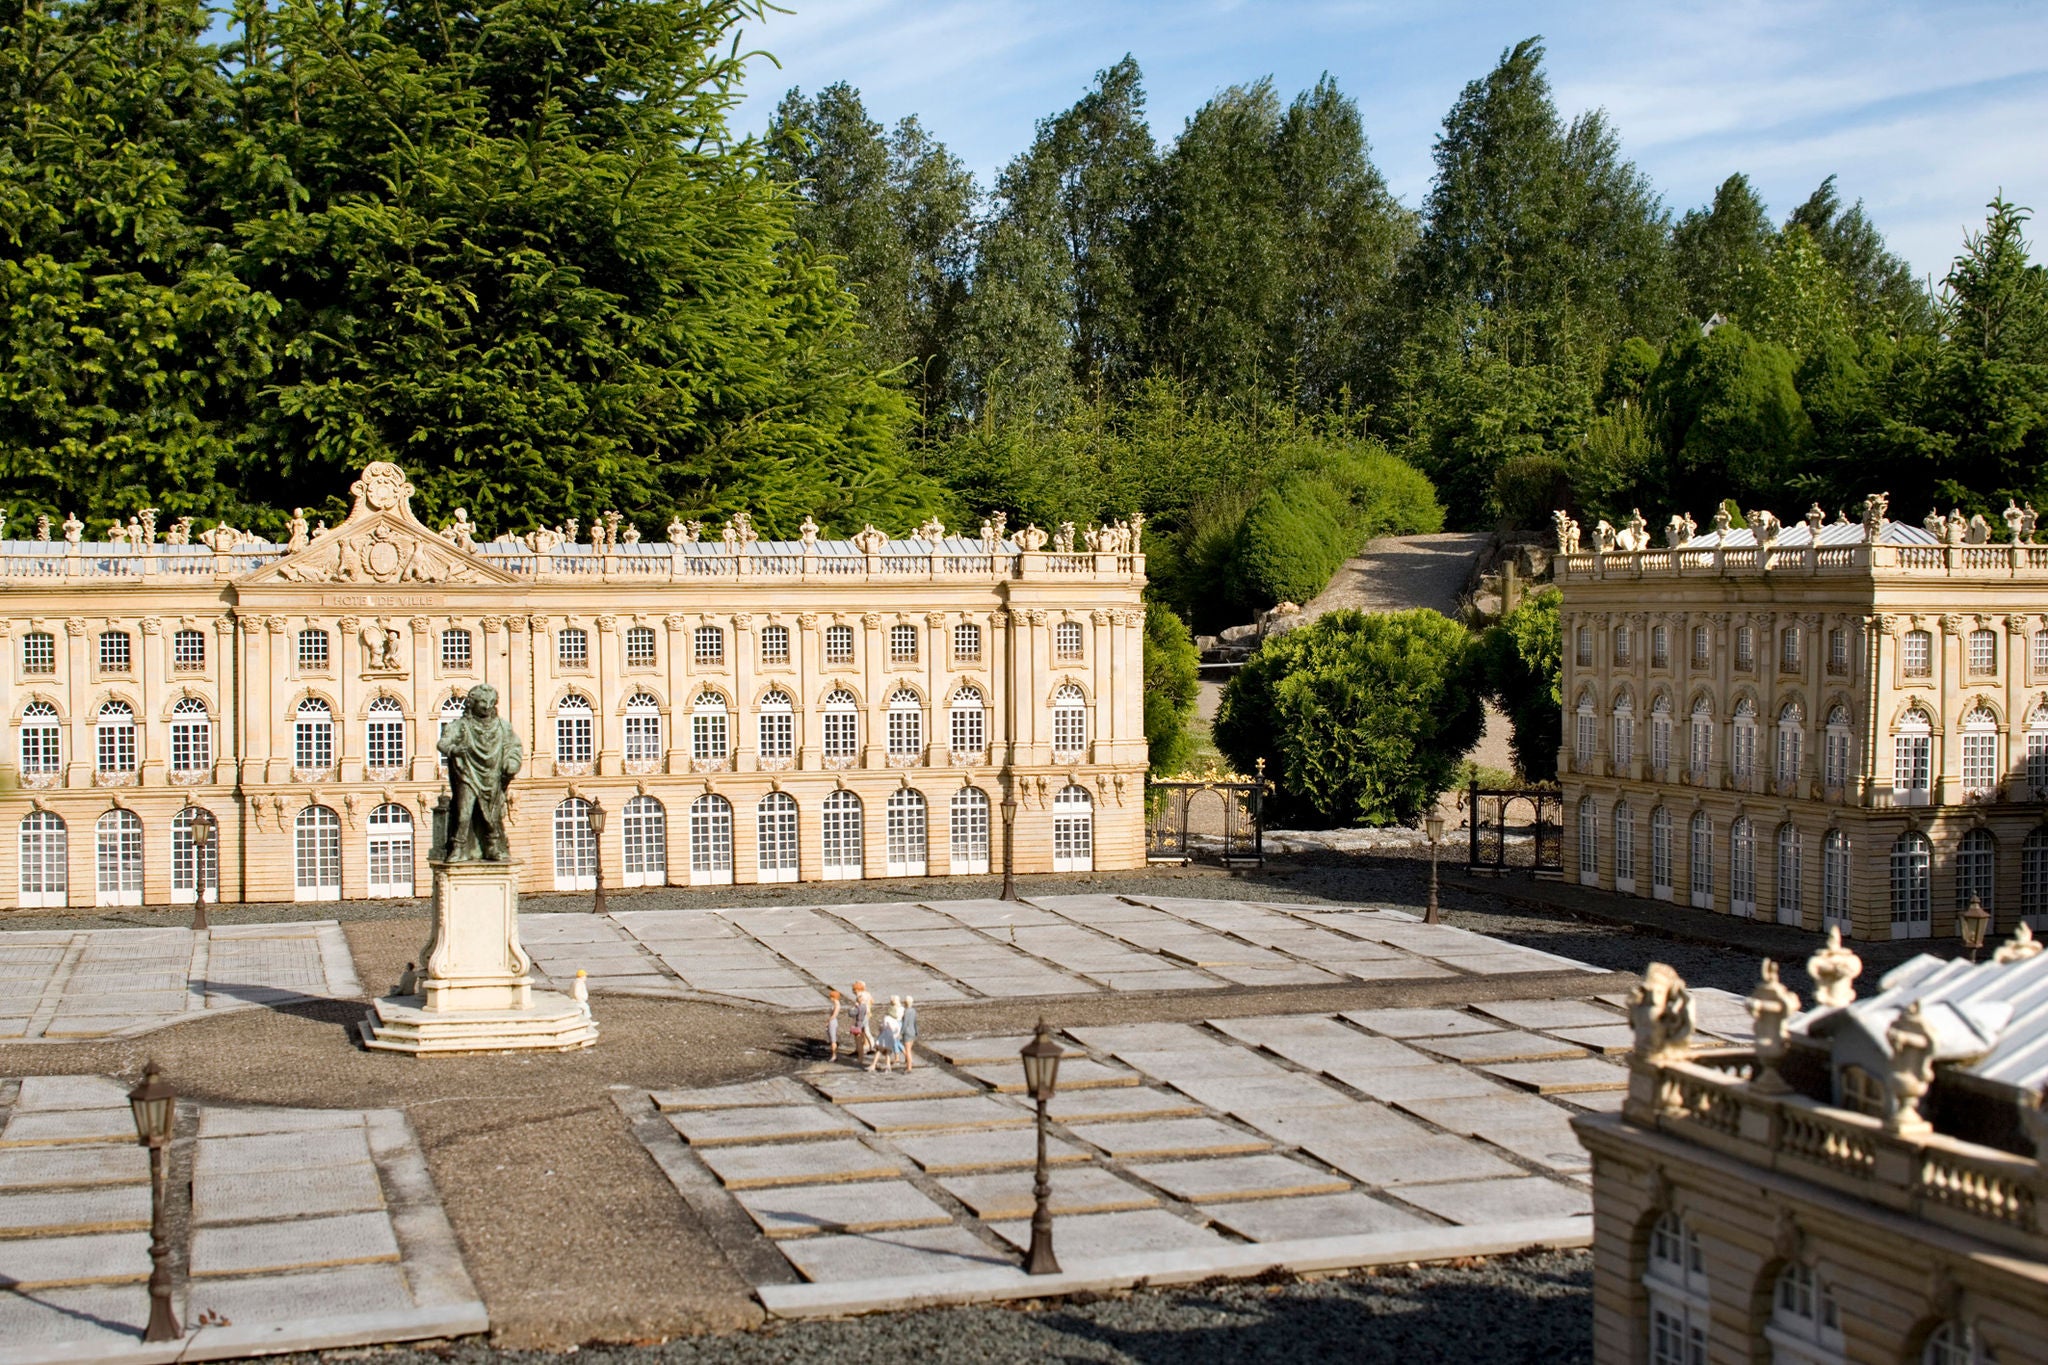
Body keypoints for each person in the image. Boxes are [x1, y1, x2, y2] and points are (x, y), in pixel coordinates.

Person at [867, 996, 903, 1073]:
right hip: (891, 1038)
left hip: (884, 1036)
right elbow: (898, 1031)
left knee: (879, 1051)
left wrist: (880, 1032)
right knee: (888, 1052)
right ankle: (888, 1066)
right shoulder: (896, 1021)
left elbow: (882, 1027)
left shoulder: (886, 1018)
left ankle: (873, 1065)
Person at [850, 981, 871, 1061]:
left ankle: (860, 1055)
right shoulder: (867, 995)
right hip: (866, 1015)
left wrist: (853, 1008)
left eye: (854, 990)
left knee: (859, 1038)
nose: (853, 992)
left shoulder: (859, 1001)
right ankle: (867, 1048)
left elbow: (852, 1013)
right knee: (865, 1032)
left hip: (860, 1020)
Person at [901, 996, 918, 1071]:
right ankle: (907, 1063)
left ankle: (909, 1067)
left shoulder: (906, 1011)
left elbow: (905, 1023)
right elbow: (915, 1022)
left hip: (907, 1033)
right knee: (909, 1049)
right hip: (913, 1031)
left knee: (907, 1050)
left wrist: (901, 1032)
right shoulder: (914, 1010)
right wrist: (916, 1031)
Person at [826, 989, 842, 1061]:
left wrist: (828, 1021)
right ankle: (833, 1054)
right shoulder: (836, 1004)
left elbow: (834, 1015)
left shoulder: (837, 1005)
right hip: (832, 1021)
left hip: (832, 1022)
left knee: (833, 1040)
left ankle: (834, 1055)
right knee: (832, 1038)